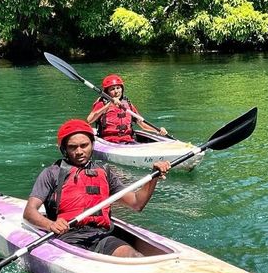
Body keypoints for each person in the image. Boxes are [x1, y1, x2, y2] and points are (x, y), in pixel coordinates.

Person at [23, 119, 171, 258]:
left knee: (132, 256)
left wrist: (153, 177)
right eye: (73, 147)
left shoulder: (104, 172)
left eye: (84, 145)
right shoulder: (52, 173)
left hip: (101, 236)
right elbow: (29, 212)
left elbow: (136, 202)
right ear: (64, 149)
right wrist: (50, 224)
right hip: (66, 239)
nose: (79, 151)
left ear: (92, 145)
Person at [86, 74, 167, 143]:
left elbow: (142, 124)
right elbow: (89, 120)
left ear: (122, 89)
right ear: (107, 92)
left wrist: (158, 130)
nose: (116, 91)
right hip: (109, 141)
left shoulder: (128, 104)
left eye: (118, 88)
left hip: (128, 140)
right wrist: (109, 105)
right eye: (112, 89)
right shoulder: (102, 103)